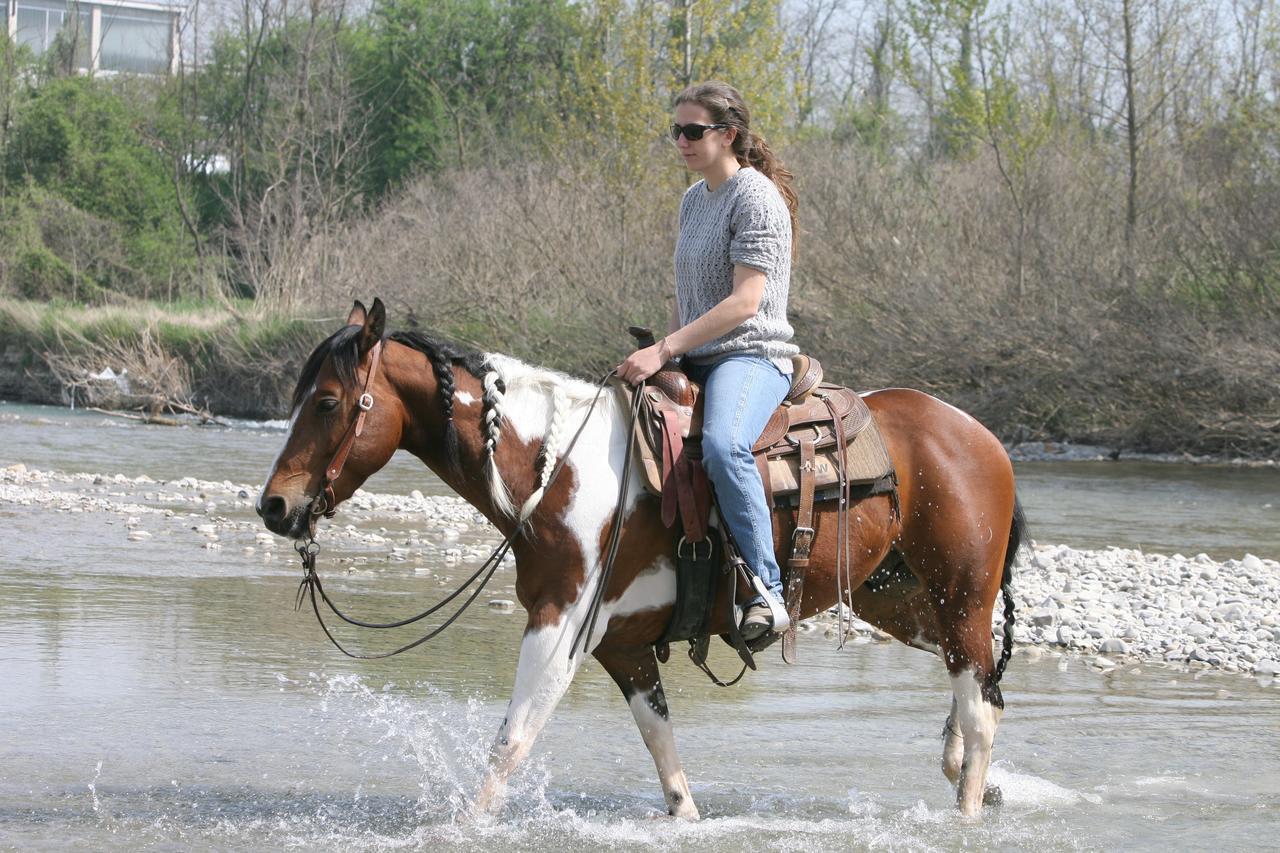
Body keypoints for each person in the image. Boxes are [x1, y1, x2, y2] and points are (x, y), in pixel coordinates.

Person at [617, 81, 799, 641]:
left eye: (693, 131)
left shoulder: (755, 197)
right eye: (676, 131)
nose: (681, 141)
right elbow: (686, 294)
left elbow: (745, 302)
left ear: (729, 134)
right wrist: (669, 353)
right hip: (696, 356)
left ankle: (767, 591)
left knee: (723, 446)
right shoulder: (693, 200)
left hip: (752, 354)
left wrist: (664, 349)